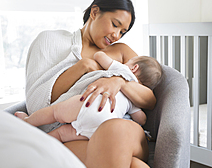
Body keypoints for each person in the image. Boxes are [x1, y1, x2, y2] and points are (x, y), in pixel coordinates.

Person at [24, 0, 157, 168]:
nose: (116, 36)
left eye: (122, 32)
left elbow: (149, 99)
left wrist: (118, 81)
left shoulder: (121, 51)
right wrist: (83, 66)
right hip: (77, 132)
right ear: (95, 12)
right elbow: (37, 102)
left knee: (114, 130)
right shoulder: (51, 41)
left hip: (125, 129)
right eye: (115, 25)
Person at [16, 51, 162, 144]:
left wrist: (114, 64)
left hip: (87, 104)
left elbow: (99, 55)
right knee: (61, 135)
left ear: (134, 67)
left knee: (54, 112)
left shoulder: (122, 70)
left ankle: (28, 121)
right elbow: (141, 119)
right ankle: (39, 145)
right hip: (103, 125)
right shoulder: (133, 99)